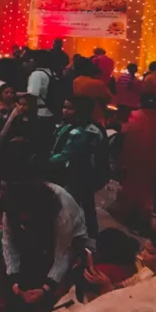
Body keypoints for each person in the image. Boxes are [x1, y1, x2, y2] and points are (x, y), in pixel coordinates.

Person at [2, 181, 89, 312]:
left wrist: (46, 288)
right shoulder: (12, 207)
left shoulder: (62, 212)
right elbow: (9, 244)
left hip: (70, 240)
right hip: (38, 235)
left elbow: (63, 255)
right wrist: (14, 279)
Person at [111, 94, 156, 232]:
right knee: (146, 193)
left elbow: (126, 135)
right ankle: (142, 222)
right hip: (155, 161)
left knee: (133, 190)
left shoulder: (135, 115)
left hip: (134, 159)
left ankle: (134, 221)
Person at [48, 96, 108, 233]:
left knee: (70, 204)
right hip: (74, 173)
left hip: (79, 173)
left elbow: (68, 154)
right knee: (86, 205)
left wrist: (46, 162)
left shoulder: (84, 130)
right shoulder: (68, 124)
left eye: (70, 108)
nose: (65, 111)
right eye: (64, 107)